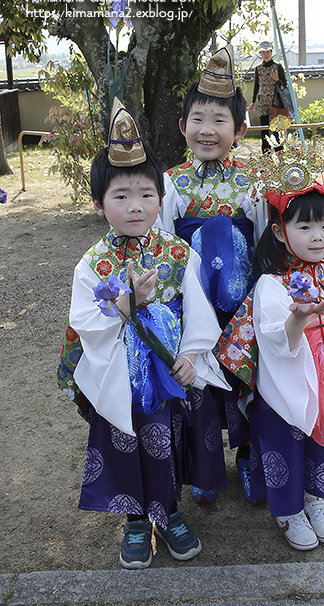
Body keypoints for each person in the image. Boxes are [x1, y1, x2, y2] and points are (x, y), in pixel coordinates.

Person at [57, 98, 230, 569]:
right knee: (127, 438)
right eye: (121, 196)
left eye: (147, 194)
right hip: (123, 374)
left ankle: (170, 511)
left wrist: (193, 355)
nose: (137, 206)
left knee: (168, 438)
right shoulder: (93, 263)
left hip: (170, 368)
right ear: (97, 205)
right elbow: (85, 322)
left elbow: (197, 309)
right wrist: (127, 306)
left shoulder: (176, 251)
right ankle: (135, 519)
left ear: (162, 196)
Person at [216, 134, 324, 551]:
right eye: (303, 226)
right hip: (289, 382)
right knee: (289, 438)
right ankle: (288, 511)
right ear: (278, 230)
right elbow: (273, 340)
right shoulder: (272, 284)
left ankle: (316, 500)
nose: (318, 235)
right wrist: (297, 319)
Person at [160, 44, 268, 505]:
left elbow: (265, 242)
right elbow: (162, 244)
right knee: (200, 385)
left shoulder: (253, 182)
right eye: (198, 120)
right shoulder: (169, 184)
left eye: (220, 120)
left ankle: (246, 458)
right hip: (192, 304)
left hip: (243, 306)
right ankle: (205, 471)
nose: (208, 130)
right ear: (183, 127)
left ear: (240, 130)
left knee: (247, 380)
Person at [248, 40, 288, 153]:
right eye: (263, 52)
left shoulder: (277, 66)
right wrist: (253, 102)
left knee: (276, 128)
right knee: (264, 129)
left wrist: (277, 80)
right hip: (263, 100)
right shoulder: (258, 68)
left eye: (268, 52)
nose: (265, 54)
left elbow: (284, 83)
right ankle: (266, 154)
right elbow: (256, 85)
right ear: (260, 54)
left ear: (271, 52)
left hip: (276, 101)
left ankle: (279, 152)